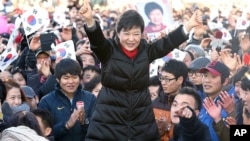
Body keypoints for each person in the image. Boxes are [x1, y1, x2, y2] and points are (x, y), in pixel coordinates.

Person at [79, 0, 202, 140]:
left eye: (136, 34)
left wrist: (189, 25)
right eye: (126, 33)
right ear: (118, 33)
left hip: (140, 119)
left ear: (142, 34)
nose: (131, 39)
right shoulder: (108, 50)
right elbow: (97, 41)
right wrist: (89, 19)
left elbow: (168, 43)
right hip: (109, 118)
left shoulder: (146, 50)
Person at [38, 58, 96, 141]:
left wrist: (84, 122)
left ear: (79, 78)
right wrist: (67, 125)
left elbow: (97, 129)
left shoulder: (90, 98)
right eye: (66, 78)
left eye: (74, 77)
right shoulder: (46, 101)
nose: (71, 81)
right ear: (58, 79)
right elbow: (43, 133)